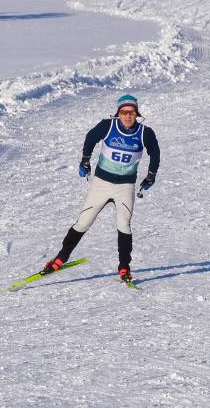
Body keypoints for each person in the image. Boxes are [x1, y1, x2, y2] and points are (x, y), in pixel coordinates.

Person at [41, 94, 160, 284]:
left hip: (125, 186)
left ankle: (124, 267)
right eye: (124, 112)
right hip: (101, 184)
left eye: (132, 113)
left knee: (124, 225)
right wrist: (85, 160)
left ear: (137, 114)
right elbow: (90, 138)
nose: (128, 116)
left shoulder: (145, 133)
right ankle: (60, 258)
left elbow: (155, 152)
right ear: (118, 113)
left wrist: (151, 175)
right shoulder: (108, 125)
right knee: (83, 222)